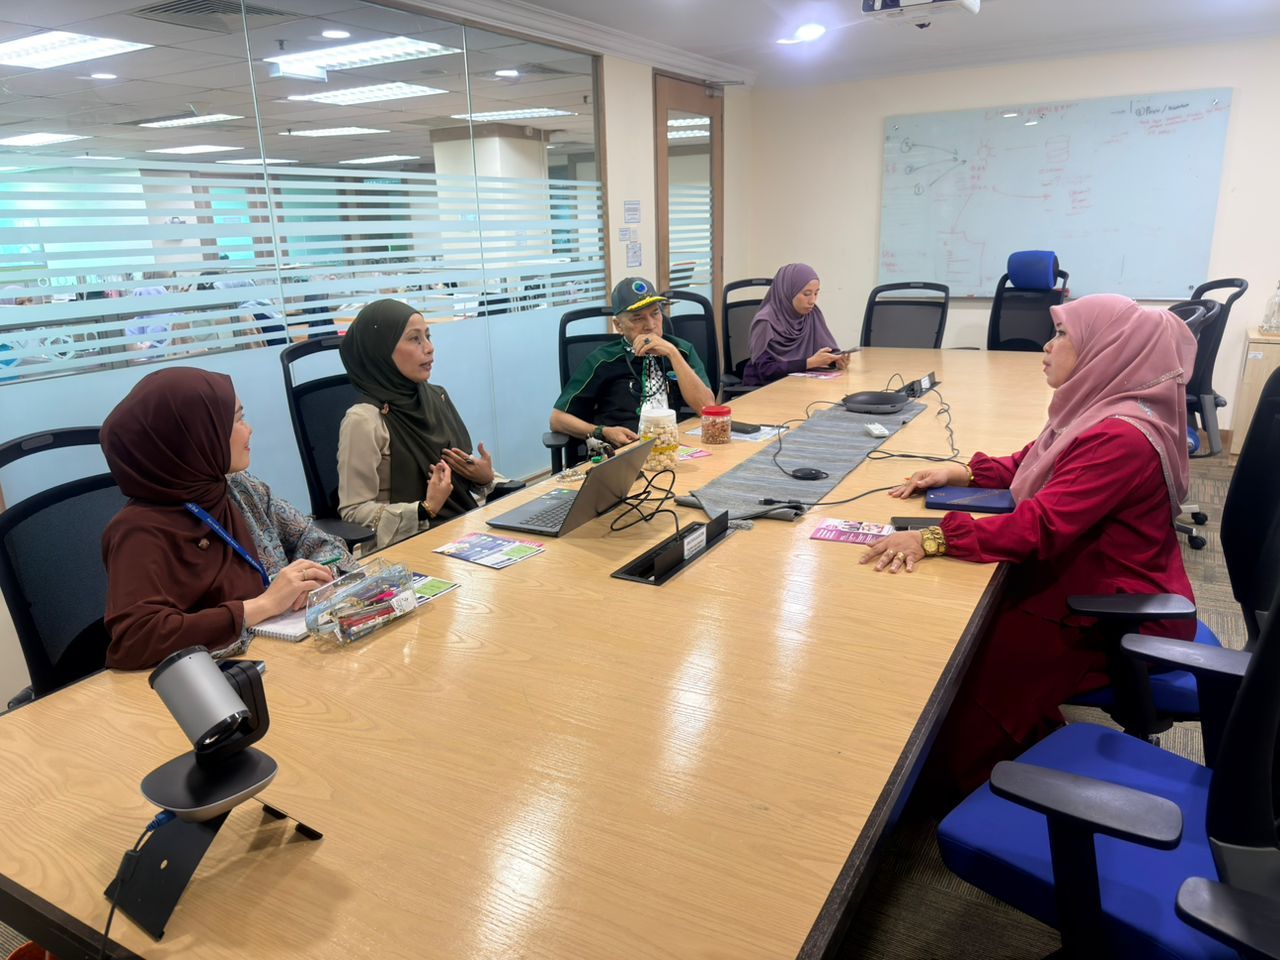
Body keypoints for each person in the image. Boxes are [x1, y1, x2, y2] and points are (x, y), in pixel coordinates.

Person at [861, 293, 1198, 797]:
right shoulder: (1099, 406)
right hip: (1087, 575)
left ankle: (963, 781)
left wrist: (933, 537)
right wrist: (964, 472)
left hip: (1115, 608)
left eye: (1062, 334)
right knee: (950, 626)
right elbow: (1034, 462)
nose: (1046, 345)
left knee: (962, 657)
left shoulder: (1120, 437)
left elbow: (1041, 527)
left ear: (1106, 349)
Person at [101, 368, 354, 671]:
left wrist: (315, 581)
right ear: (194, 436)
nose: (249, 430)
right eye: (236, 420)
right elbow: (137, 639)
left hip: (289, 657)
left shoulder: (238, 488)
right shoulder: (138, 531)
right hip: (221, 681)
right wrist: (261, 606)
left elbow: (320, 542)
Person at [338, 298, 499, 550]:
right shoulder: (364, 420)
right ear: (382, 350)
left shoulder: (436, 396)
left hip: (459, 531)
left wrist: (484, 478)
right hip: (404, 547)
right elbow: (353, 512)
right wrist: (424, 509)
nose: (429, 348)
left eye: (428, 336)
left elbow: (453, 473)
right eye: (415, 339)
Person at [549, 277, 715, 447]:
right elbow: (557, 419)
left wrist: (673, 354)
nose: (650, 325)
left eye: (655, 313)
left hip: (676, 444)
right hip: (626, 449)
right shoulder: (602, 359)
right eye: (637, 318)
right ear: (619, 326)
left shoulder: (681, 350)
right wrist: (602, 432)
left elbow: (707, 408)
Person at [741, 263, 849, 386]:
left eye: (816, 293)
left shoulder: (812, 314)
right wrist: (809, 363)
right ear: (788, 292)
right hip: (763, 388)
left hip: (799, 385)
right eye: (807, 294)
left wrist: (835, 360)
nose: (812, 301)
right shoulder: (765, 321)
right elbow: (765, 370)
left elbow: (827, 351)